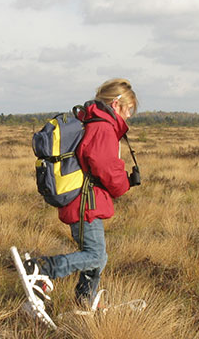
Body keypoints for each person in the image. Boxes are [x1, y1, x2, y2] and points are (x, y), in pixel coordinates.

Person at [20, 78, 139, 312]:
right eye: (129, 110)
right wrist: (124, 182)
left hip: (84, 199)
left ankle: (86, 299)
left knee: (98, 255)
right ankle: (44, 269)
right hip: (86, 202)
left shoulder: (93, 121)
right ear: (116, 104)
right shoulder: (103, 126)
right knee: (95, 255)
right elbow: (102, 164)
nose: (129, 116)